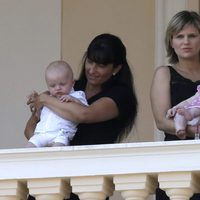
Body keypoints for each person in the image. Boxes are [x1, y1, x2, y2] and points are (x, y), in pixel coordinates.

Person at [25, 33, 138, 200]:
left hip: (87, 180)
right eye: (90, 61)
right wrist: (39, 120)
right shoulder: (68, 86)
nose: (92, 70)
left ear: (116, 68)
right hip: (51, 175)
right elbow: (31, 130)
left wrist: (46, 99)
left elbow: (85, 114)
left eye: (101, 65)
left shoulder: (121, 95)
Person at [150, 10, 200, 200]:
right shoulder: (164, 73)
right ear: (171, 41)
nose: (186, 41)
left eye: (192, 36)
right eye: (179, 36)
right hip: (176, 158)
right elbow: (162, 122)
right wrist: (195, 131)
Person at [26, 60, 88, 148]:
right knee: (28, 149)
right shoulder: (47, 98)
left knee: (57, 154)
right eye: (52, 86)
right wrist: (36, 99)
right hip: (41, 133)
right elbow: (38, 113)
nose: (58, 88)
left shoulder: (77, 95)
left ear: (72, 83)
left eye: (62, 84)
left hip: (61, 134)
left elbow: (85, 110)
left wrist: (73, 99)